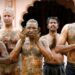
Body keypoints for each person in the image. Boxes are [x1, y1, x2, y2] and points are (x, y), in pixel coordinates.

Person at [0, 7, 20, 75]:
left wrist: (11, 42)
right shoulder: (0, 32)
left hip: (15, 64)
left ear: (13, 17)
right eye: (5, 16)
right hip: (2, 65)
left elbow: (22, 48)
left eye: (9, 16)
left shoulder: (18, 31)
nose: (6, 18)